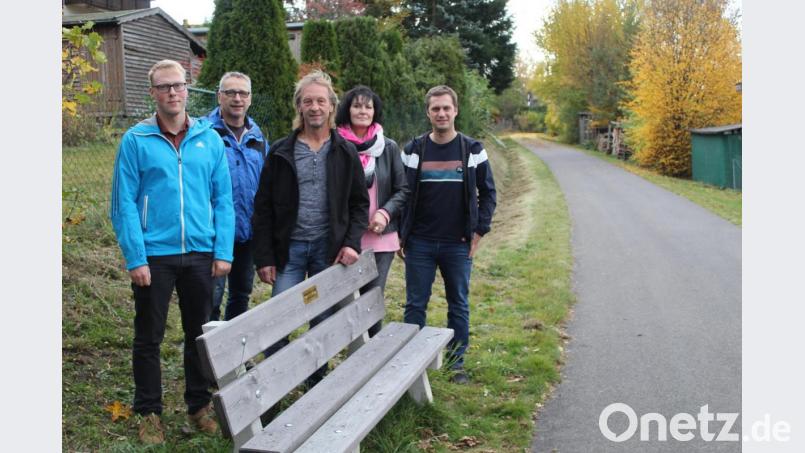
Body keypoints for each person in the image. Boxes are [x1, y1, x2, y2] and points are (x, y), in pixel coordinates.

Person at [110, 60, 234, 444]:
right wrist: (136, 257)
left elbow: (224, 200)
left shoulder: (209, 139)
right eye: (164, 87)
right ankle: (149, 413)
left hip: (200, 253)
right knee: (149, 336)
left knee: (200, 335)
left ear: (187, 89)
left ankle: (198, 406)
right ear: (153, 93)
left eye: (178, 85)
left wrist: (223, 250)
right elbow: (124, 203)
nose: (172, 93)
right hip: (155, 257)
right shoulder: (136, 140)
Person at [251, 71, 369, 385]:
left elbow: (359, 205)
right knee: (278, 321)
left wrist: (352, 243)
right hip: (288, 251)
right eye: (307, 101)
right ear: (299, 108)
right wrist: (263, 257)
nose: (314, 107)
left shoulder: (345, 152)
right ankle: (275, 384)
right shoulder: (280, 152)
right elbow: (262, 209)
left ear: (331, 107)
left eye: (320, 100)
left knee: (322, 320)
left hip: (327, 251)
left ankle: (317, 383)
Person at [399, 85, 497, 385]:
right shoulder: (414, 150)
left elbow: (488, 193)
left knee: (459, 303)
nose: (441, 113)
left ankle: (456, 364)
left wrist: (479, 231)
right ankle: (411, 366)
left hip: (458, 244)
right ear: (428, 112)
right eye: (435, 108)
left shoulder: (472, 150)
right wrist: (400, 236)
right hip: (420, 243)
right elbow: (402, 194)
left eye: (446, 108)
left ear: (456, 110)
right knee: (415, 304)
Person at [335, 85, 409, 337]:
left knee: (372, 300)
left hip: (381, 239)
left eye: (368, 106)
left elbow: (402, 190)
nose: (362, 111)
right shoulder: (335, 144)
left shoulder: (387, 147)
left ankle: (372, 354)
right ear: (348, 109)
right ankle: (350, 352)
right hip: (345, 239)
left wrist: (385, 213)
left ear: (375, 111)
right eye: (357, 105)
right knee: (343, 302)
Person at [206, 72, 268, 322]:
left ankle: (235, 355)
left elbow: (266, 182)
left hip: (247, 232)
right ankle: (206, 357)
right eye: (230, 92)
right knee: (211, 297)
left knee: (241, 294)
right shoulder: (204, 133)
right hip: (213, 231)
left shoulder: (258, 138)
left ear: (250, 99)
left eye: (243, 93)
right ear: (219, 96)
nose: (237, 98)